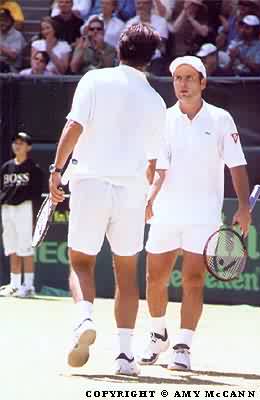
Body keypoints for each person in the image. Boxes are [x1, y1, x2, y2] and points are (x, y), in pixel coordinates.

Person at [49, 23, 166, 376]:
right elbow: (152, 162)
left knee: (81, 262)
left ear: (119, 48)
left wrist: (56, 170)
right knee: (127, 273)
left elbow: (73, 128)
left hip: (90, 183)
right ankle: (125, 357)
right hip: (131, 190)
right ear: (152, 58)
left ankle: (84, 318)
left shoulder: (94, 80)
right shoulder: (158, 102)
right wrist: (148, 198)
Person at [138, 56, 251, 371]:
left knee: (193, 279)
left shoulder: (221, 119)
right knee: (154, 277)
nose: (183, 84)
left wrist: (243, 206)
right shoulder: (162, 119)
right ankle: (158, 334)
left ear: (203, 82)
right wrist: (150, 197)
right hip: (165, 213)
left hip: (203, 215)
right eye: (178, 78)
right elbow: (160, 168)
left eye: (190, 78)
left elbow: (236, 165)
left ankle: (183, 346)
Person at [0, 132, 43, 298]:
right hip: (7, 209)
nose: (17, 145)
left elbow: (36, 195)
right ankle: (15, 285)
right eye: (15, 143)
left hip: (24, 208)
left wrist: (34, 216)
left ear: (28, 147)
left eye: (22, 143)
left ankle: (29, 286)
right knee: (12, 248)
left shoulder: (34, 169)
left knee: (25, 248)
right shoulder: (6, 167)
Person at [0, 8, 26, 73]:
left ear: (11, 21)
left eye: (5, 20)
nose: (2, 23)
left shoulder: (17, 35)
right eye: (0, 20)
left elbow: (13, 56)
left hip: (10, 69)